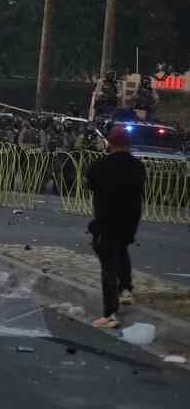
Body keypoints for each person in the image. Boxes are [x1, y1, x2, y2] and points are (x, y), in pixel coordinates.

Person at [86, 127, 146, 329]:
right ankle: (126, 289)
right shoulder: (138, 166)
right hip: (129, 220)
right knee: (121, 250)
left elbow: (89, 183)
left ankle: (110, 313)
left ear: (110, 144)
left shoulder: (101, 165)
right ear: (129, 144)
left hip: (106, 220)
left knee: (108, 267)